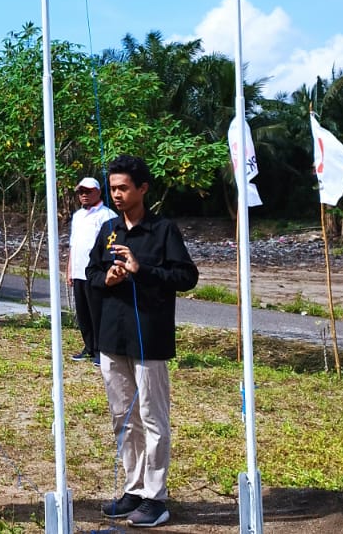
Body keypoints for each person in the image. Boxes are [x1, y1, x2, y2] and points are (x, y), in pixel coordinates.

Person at [85, 155, 198, 529]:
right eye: (112, 188)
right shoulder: (109, 230)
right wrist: (108, 278)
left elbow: (186, 276)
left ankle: (155, 497)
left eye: (123, 188)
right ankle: (133, 489)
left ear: (143, 189)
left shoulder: (163, 230)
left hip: (149, 338)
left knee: (152, 418)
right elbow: (91, 272)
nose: (116, 194)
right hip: (112, 337)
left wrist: (141, 269)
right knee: (123, 418)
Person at [67, 176, 116, 363]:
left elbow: (110, 247)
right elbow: (74, 244)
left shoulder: (107, 216)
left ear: (98, 192)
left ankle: (101, 351)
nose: (84, 195)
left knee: (98, 313)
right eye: (81, 192)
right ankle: (89, 346)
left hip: (96, 273)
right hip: (79, 271)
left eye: (88, 191)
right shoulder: (78, 216)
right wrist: (69, 269)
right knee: (83, 313)